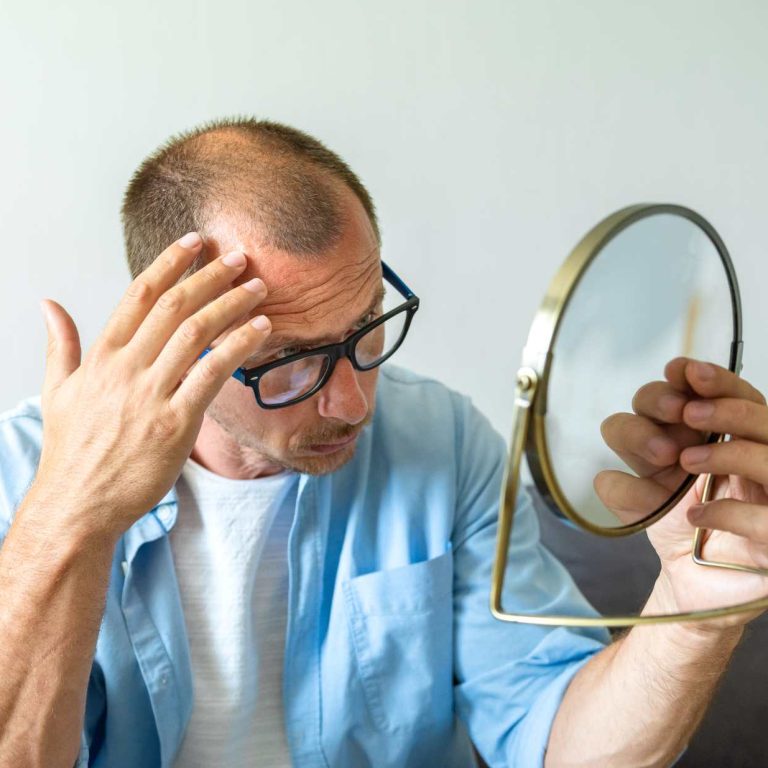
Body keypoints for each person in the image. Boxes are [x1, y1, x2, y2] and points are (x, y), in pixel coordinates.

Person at [0, 118, 766, 768]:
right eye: (292, 360)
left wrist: (697, 609)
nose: (355, 400)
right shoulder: (22, 476)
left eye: (367, 327)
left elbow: (558, 744)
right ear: (175, 332)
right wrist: (72, 517)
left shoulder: (443, 441)